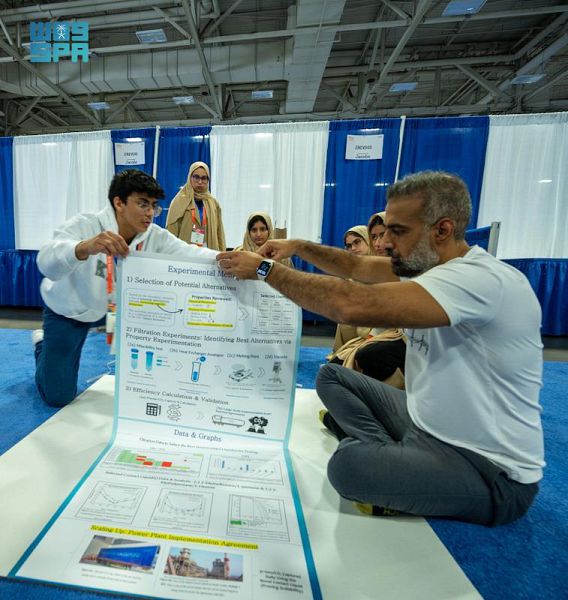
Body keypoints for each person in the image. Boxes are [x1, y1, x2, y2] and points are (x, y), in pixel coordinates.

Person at [216, 170, 544, 526]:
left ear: (442, 230)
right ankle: (389, 454)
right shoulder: (429, 265)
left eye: (397, 231)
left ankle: (381, 455)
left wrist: (265, 270)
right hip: (424, 424)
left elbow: (349, 303)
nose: (384, 242)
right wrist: (297, 246)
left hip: (489, 469)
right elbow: (357, 266)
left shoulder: (479, 279)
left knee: (347, 468)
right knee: (331, 376)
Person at [34, 169, 216, 408]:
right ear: (118, 202)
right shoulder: (86, 224)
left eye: (153, 206)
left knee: (145, 383)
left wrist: (230, 259)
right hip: (69, 309)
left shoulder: (155, 236)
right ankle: (42, 345)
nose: (150, 213)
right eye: (142, 204)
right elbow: (45, 261)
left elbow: (192, 254)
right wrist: (84, 247)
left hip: (116, 311)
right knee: (58, 396)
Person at [166, 161, 226, 250]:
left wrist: (222, 254)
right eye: (196, 177)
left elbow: (219, 232)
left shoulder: (213, 203)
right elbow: (171, 232)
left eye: (204, 178)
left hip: (209, 252)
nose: (200, 182)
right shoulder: (179, 201)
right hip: (185, 253)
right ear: (190, 177)